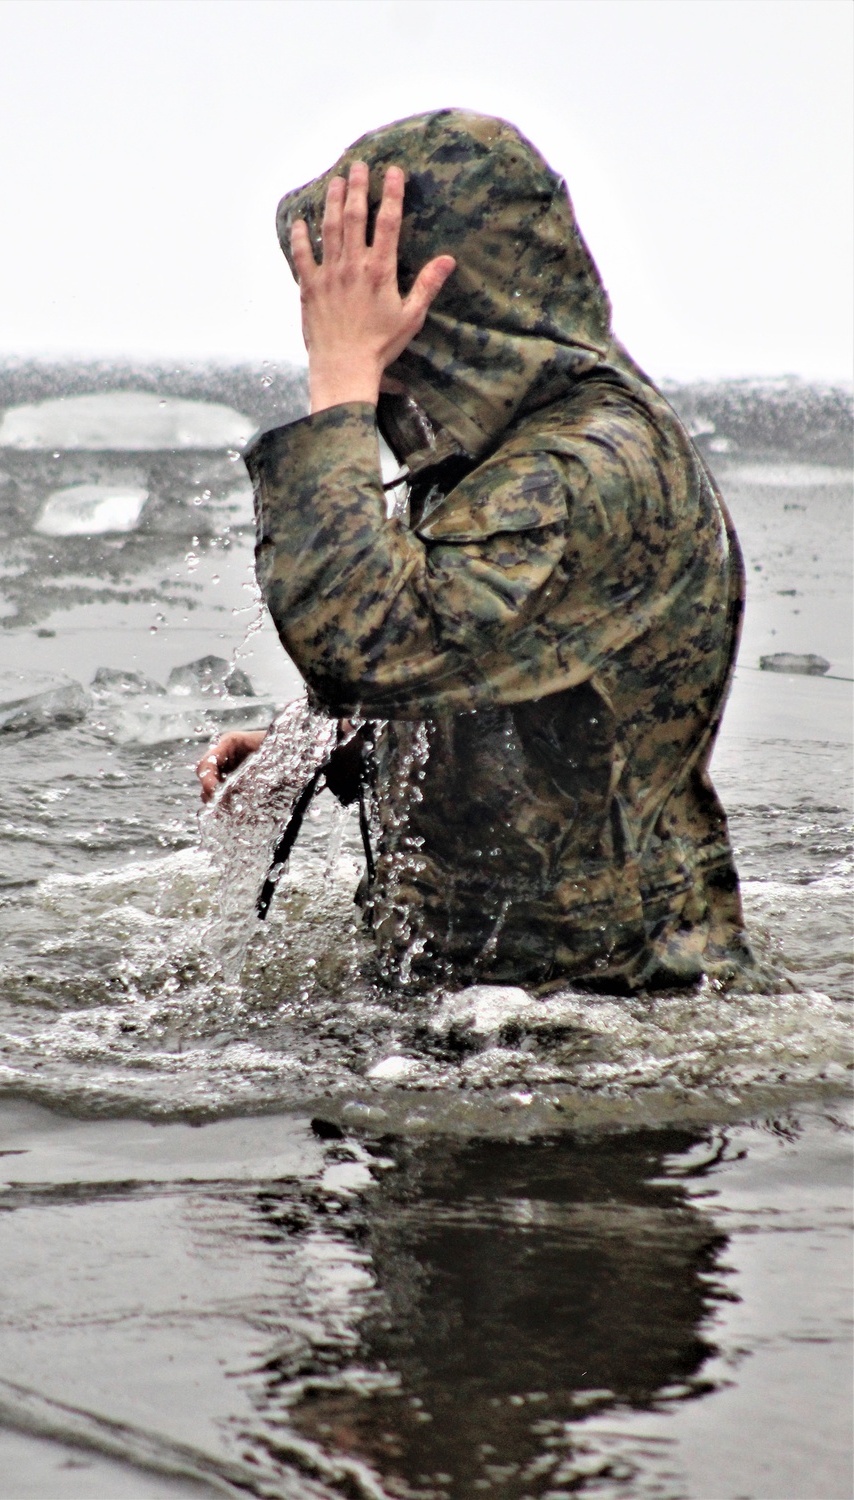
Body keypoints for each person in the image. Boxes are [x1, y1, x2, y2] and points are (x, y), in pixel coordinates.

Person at [197, 108, 750, 994]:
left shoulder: (586, 468)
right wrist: (315, 744)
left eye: (373, 300)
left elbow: (370, 644)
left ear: (446, 305)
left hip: (596, 1032)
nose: (345, 327)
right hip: (489, 1011)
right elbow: (483, 658)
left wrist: (340, 383)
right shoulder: (497, 454)